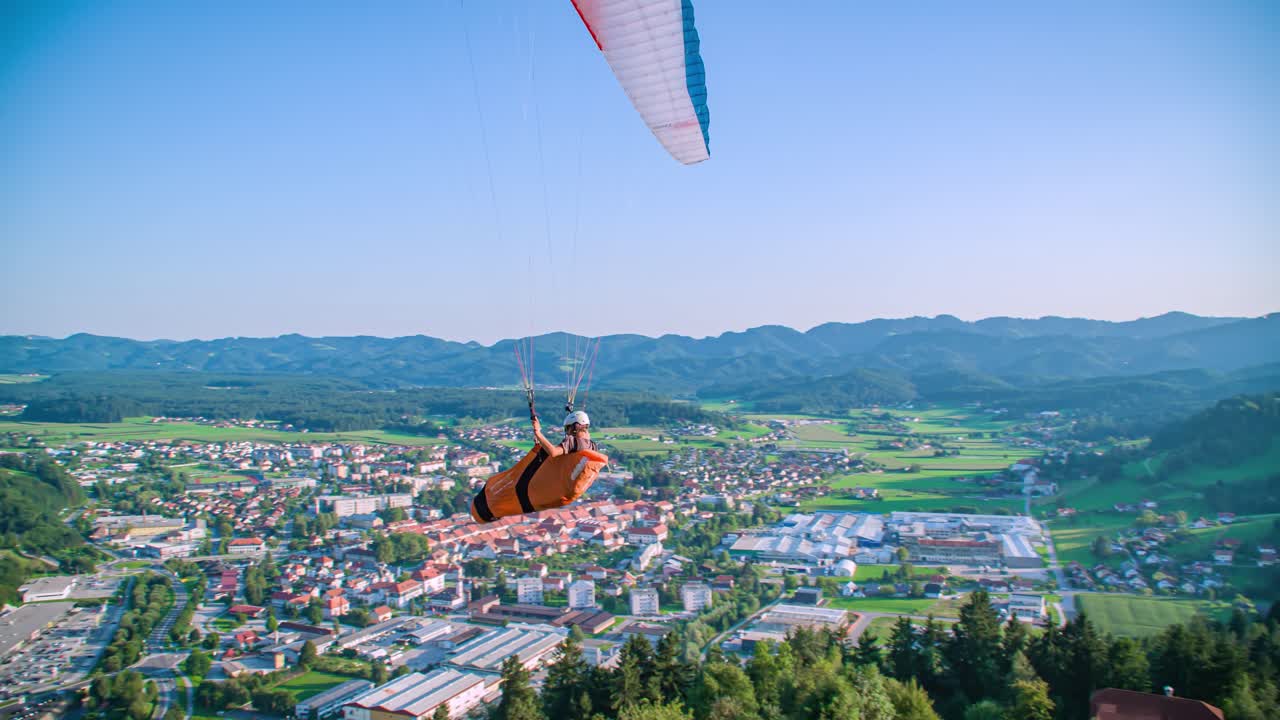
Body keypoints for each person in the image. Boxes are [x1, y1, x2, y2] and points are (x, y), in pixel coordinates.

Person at [532, 410, 598, 456]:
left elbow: (553, 452)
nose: (567, 432)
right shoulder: (593, 446)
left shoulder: (573, 441)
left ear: (574, 426)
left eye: (568, 428)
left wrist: (537, 432)